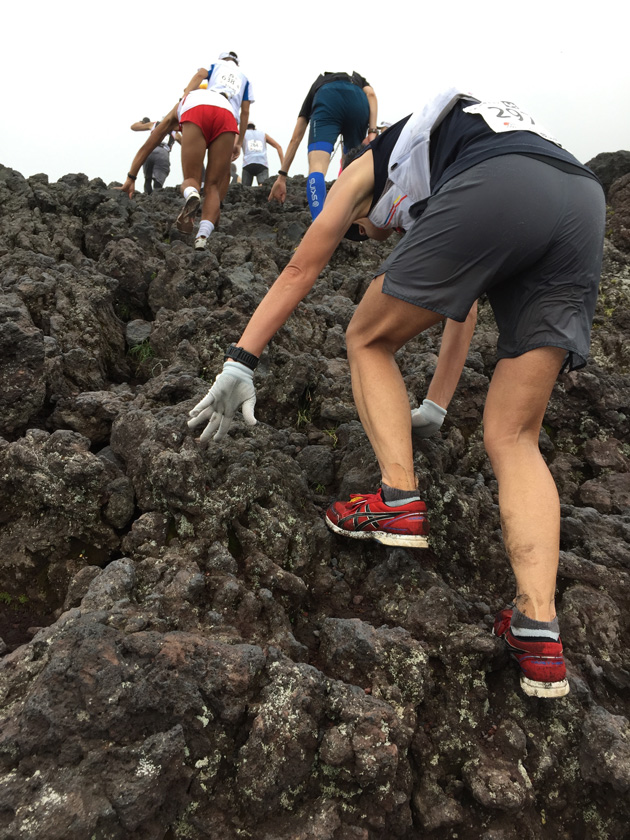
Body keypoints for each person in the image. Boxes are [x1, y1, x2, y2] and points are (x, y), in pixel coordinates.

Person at [186, 87, 606, 699]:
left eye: (359, 232)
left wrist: (241, 358)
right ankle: (538, 628)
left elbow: (303, 267)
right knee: (516, 435)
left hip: (501, 185)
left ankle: (397, 499)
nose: (366, 237)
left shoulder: (366, 167)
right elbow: (460, 307)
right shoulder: (448, 157)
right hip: (580, 200)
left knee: (365, 337)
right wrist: (435, 402)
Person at [119, 67, 240, 250]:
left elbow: (149, 144)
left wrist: (131, 177)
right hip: (227, 114)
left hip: (195, 110)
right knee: (212, 187)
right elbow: (222, 183)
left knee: (191, 179)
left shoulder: (185, 101)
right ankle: (202, 237)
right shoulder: (223, 100)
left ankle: (191, 193)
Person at [268, 71, 377, 219]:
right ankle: (351, 220)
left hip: (327, 98)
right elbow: (370, 95)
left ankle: (318, 223)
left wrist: (282, 177)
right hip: (357, 99)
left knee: (317, 166)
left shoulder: (319, 84)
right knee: (353, 165)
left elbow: (296, 138)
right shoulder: (359, 80)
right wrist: (372, 130)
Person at [130, 116, 181, 194]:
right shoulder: (175, 132)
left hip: (149, 150)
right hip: (163, 153)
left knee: (147, 179)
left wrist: (143, 122)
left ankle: (146, 197)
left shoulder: (154, 124)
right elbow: (186, 144)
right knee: (158, 183)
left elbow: (134, 127)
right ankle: (156, 198)